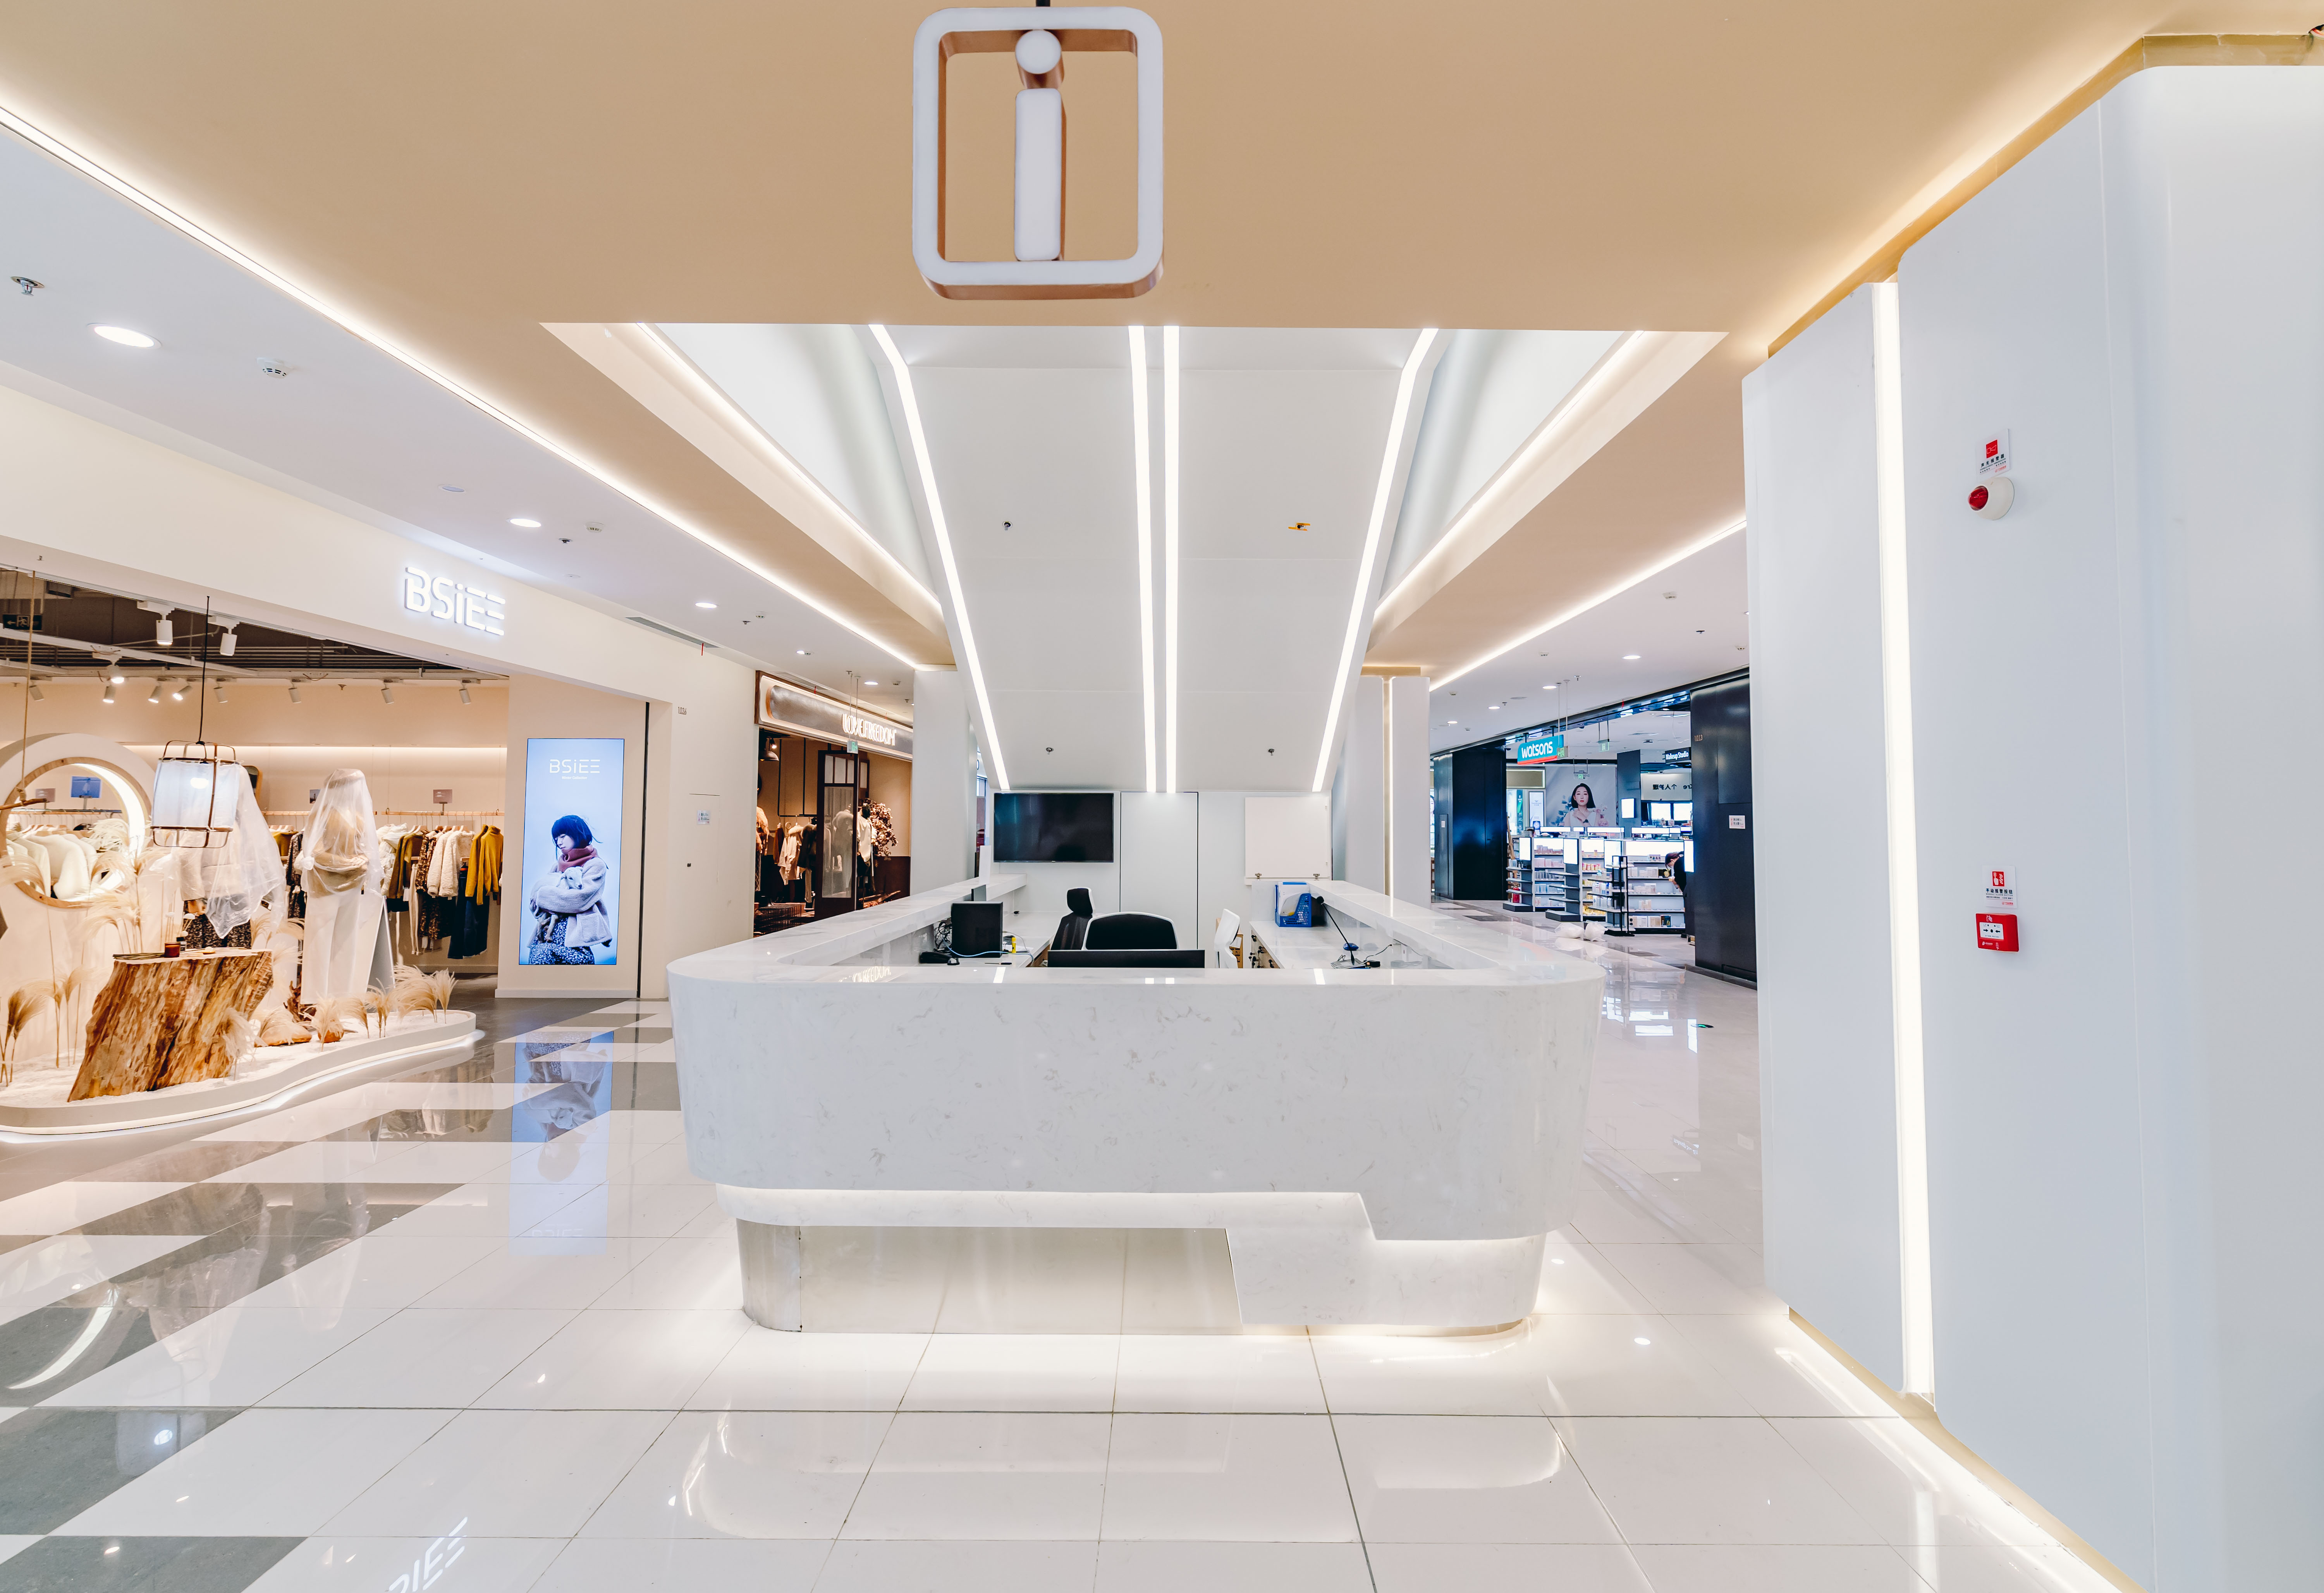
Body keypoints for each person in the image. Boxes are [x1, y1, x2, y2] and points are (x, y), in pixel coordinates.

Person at [527, 815, 610, 964]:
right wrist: (540, 902)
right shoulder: (557, 866)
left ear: (576, 834)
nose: (559, 842)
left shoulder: (595, 865)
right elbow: (536, 906)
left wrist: (542, 896)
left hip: (575, 944)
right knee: (539, 967)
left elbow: (579, 899)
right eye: (556, 839)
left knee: (553, 965)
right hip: (546, 937)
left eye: (562, 836)